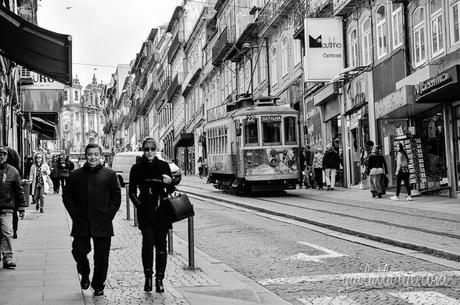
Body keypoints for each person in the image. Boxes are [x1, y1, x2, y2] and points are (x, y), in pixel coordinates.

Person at [62, 143, 121, 297]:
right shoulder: (76, 175)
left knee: (101, 257)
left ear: (100, 156)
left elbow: (116, 196)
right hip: (81, 221)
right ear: (85, 155)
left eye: (95, 154)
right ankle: (84, 271)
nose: (92, 157)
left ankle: (98, 284)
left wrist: (109, 215)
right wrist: (74, 214)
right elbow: (66, 196)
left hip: (103, 222)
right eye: (89, 154)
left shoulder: (109, 175)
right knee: (79, 251)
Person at [129, 137, 175, 293]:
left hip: (162, 211)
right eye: (147, 149)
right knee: (148, 244)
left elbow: (170, 191)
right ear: (143, 150)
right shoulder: (136, 168)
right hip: (145, 211)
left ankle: (160, 279)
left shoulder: (163, 166)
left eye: (152, 149)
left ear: (156, 150)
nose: (149, 152)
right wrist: (140, 206)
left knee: (161, 247)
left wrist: (170, 183)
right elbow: (131, 192)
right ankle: (148, 277)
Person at [0, 146, 26, 268]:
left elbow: (19, 191)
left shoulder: (13, 171)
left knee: (6, 232)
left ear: (7, 157)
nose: (1, 157)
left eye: (3, 155)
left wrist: (21, 207)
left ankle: (8, 258)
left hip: (6, 208)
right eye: (0, 154)